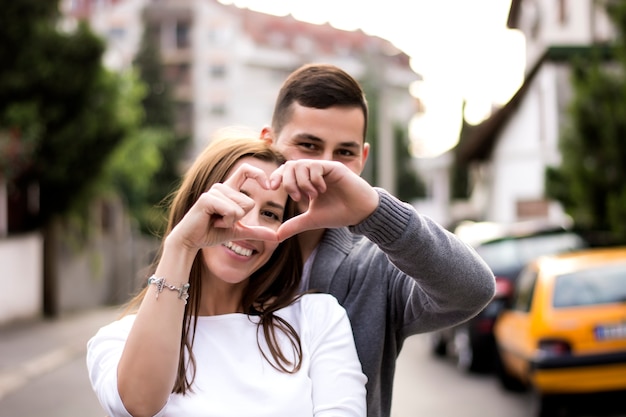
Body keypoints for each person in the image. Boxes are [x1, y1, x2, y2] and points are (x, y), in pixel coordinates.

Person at [260, 63, 496, 417]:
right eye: (308, 145)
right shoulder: (235, 248)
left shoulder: (378, 266)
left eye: (344, 153)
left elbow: (474, 290)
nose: (327, 169)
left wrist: (375, 209)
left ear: (363, 159)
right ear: (269, 143)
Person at [86, 132, 367, 417]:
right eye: (236, 201)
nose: (247, 225)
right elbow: (139, 405)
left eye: (270, 214)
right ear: (195, 206)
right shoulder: (118, 340)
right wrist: (181, 245)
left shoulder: (317, 319)